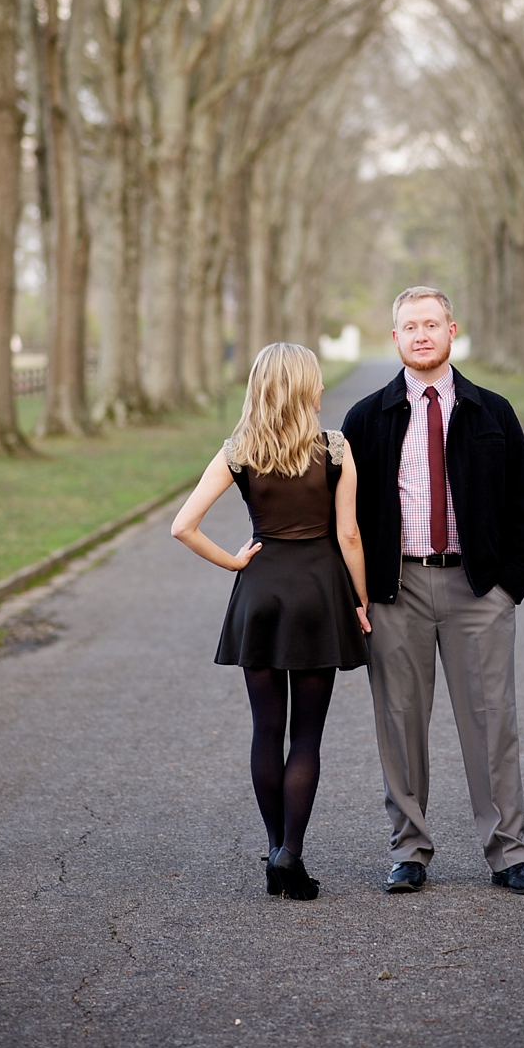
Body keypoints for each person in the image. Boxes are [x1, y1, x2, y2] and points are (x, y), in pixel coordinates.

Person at [340, 286, 524, 895]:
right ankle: (409, 849)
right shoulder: (366, 419)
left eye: (432, 324)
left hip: (477, 589)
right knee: (400, 722)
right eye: (410, 326)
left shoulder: (493, 412)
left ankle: (509, 853)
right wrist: (360, 593)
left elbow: (523, 503)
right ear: (396, 337)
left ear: (452, 330)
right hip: (395, 589)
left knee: (492, 725)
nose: (422, 335)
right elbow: (344, 516)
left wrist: (510, 585)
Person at [172, 342, 373, 900]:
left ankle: (273, 849)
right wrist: (361, 601)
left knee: (267, 729)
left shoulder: (238, 451)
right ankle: (292, 854)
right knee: (306, 736)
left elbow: (183, 526)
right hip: (318, 596)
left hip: (259, 596)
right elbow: (349, 534)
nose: (325, 388)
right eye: (318, 380)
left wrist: (235, 561)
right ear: (305, 387)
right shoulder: (334, 448)